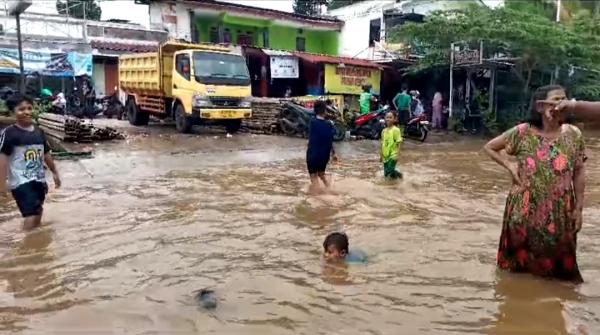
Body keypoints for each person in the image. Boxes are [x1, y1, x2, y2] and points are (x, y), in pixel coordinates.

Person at [483, 85, 585, 282]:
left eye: (564, 99)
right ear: (540, 106)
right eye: (556, 99)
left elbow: (579, 170)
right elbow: (490, 147)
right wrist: (510, 165)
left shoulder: (574, 134)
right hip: (523, 211)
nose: (561, 104)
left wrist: (579, 209)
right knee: (517, 272)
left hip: (560, 212)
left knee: (561, 276)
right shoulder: (522, 132)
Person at [0, 94, 61, 230]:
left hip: (39, 180)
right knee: (31, 215)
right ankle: (26, 243)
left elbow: (46, 154)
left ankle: (36, 242)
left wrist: (55, 172)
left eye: (29, 108)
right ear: (12, 112)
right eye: (21, 109)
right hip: (21, 182)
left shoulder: (38, 132)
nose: (26, 112)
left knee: (38, 211)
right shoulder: (9, 133)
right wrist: (2, 184)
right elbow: (3, 159)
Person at [307, 100, 337, 191]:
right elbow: (330, 140)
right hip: (324, 155)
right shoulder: (329, 125)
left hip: (313, 154)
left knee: (313, 176)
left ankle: (316, 196)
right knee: (321, 173)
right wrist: (334, 154)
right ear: (325, 111)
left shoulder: (312, 122)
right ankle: (328, 188)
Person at [380, 112, 403, 179]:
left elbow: (399, 142)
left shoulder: (396, 130)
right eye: (387, 117)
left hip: (393, 154)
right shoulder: (383, 131)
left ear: (395, 119)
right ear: (384, 119)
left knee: (390, 170)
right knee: (386, 174)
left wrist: (397, 155)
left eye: (390, 117)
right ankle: (395, 180)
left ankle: (398, 174)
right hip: (385, 155)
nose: (388, 119)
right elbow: (382, 143)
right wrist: (381, 155)